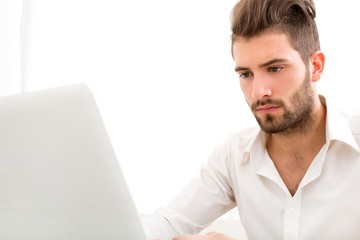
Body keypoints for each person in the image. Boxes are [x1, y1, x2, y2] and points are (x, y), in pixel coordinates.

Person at [141, 0, 360, 239]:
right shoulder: (234, 155)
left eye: (275, 69)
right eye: (246, 74)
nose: (258, 92)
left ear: (315, 66)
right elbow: (168, 222)